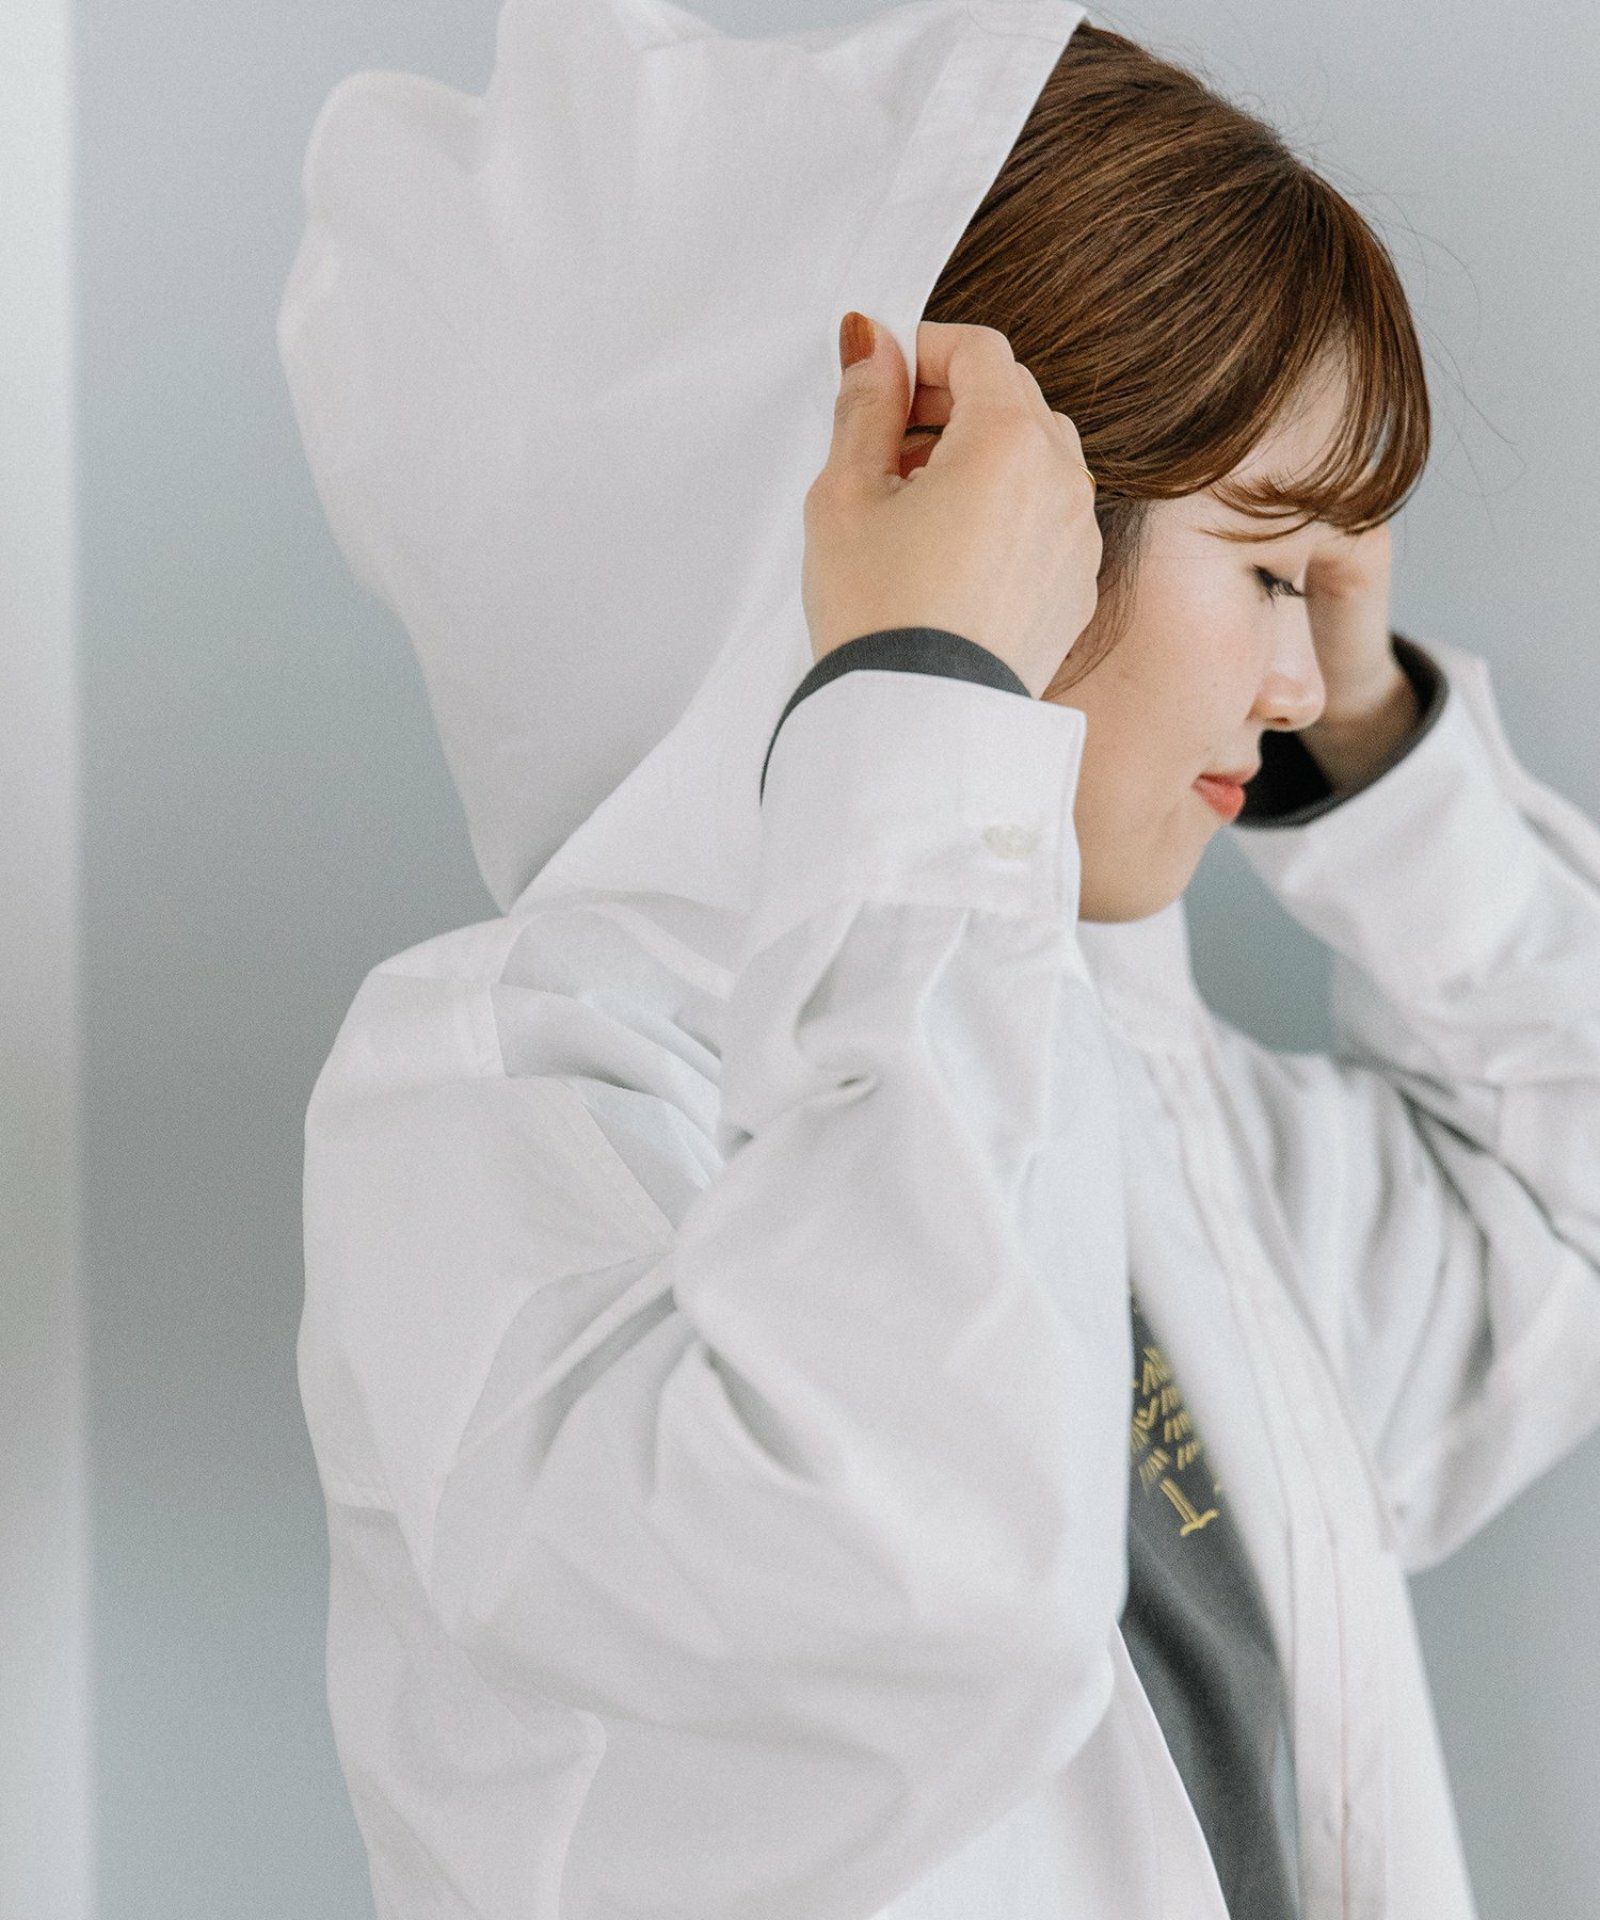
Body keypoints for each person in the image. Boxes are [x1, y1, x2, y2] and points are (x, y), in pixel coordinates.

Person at [279, 5, 1600, 1917]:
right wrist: (926, 701)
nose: (1296, 679)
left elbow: (1568, 1198)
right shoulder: (497, 1109)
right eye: (1266, 569)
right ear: (962, 504)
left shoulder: (1124, 1088)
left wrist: (1378, 749)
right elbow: (928, 1581)